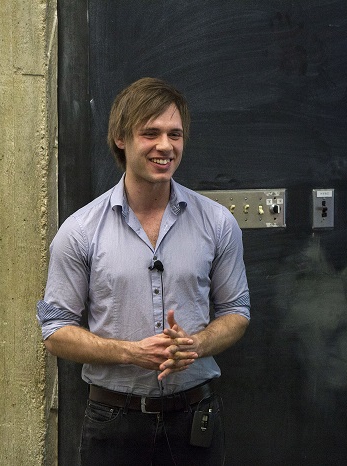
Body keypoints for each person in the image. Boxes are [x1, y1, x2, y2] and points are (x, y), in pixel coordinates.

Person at [37, 77, 250, 465]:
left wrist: (196, 345)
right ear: (121, 138)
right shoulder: (80, 231)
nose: (165, 146)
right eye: (150, 133)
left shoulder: (218, 223)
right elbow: (55, 333)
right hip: (112, 423)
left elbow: (237, 313)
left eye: (175, 134)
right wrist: (130, 352)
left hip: (194, 420)